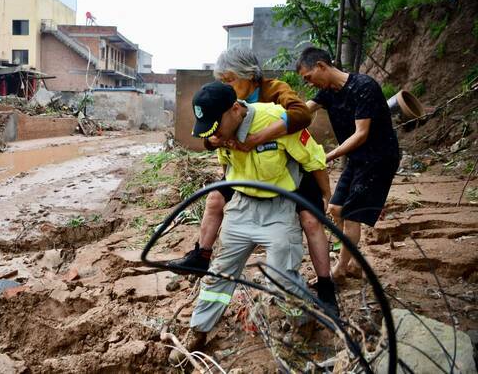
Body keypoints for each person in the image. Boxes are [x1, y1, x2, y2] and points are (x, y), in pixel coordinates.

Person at [169, 82, 330, 363]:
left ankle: (303, 322)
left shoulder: (275, 120)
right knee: (219, 273)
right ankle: (199, 328)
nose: (215, 135)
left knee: (283, 275)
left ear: (235, 110)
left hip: (279, 208)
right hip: (242, 207)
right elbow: (226, 164)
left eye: (216, 128)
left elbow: (314, 159)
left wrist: (327, 197)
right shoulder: (220, 134)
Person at [167, 48, 337, 309]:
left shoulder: (275, 93)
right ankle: (201, 254)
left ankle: (325, 286)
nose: (227, 86)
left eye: (230, 80)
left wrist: (257, 138)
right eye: (223, 81)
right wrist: (216, 139)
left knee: (311, 220)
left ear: (250, 76)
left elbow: (302, 116)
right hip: (247, 173)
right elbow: (210, 133)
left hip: (285, 170)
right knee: (214, 199)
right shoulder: (224, 99)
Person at [298, 47, 400, 283]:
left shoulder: (364, 87)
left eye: (308, 77)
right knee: (335, 209)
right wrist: (272, 120)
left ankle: (340, 269)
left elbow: (361, 134)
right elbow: (302, 112)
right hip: (357, 158)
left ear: (321, 66)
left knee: (352, 215)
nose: (310, 83)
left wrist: (326, 157)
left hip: (379, 157)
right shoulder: (327, 92)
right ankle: (354, 262)